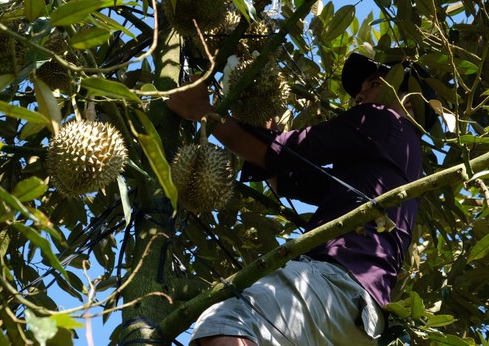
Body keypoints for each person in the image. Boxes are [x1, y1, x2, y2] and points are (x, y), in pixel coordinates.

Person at [166, 53, 436, 346]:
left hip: (335, 284)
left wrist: (204, 110)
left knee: (227, 324)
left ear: (409, 100)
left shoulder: (382, 119)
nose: (360, 93)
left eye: (373, 83)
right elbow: (292, 176)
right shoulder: (401, 161)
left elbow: (280, 154)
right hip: (360, 321)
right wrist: (267, 138)